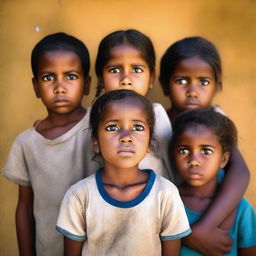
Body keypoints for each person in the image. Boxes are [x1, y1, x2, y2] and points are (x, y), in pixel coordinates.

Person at [56, 89, 191, 256]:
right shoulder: (79, 196)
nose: (126, 137)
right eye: (112, 127)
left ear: (150, 142)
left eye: (137, 127)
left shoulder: (165, 194)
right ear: (96, 142)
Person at [2, 32, 101, 256]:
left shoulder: (100, 125)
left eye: (71, 76)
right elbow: (25, 208)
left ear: (87, 84)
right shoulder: (26, 143)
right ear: (35, 86)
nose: (59, 87)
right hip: (49, 249)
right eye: (48, 78)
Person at [159, 36, 250, 255]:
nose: (192, 91)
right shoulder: (158, 121)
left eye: (204, 82)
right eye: (181, 81)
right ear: (164, 84)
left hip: (211, 218)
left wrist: (206, 227)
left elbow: (240, 173)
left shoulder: (217, 120)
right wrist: (188, 233)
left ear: (217, 85)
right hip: (168, 219)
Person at [170, 109, 256, 256]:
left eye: (206, 151)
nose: (194, 161)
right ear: (173, 156)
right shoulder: (167, 202)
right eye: (183, 151)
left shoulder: (241, 209)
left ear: (223, 159)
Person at [94, 29, 174, 181]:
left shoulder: (156, 114)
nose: (125, 79)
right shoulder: (96, 116)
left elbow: (173, 167)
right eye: (114, 70)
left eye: (136, 69)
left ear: (151, 78)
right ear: (100, 78)